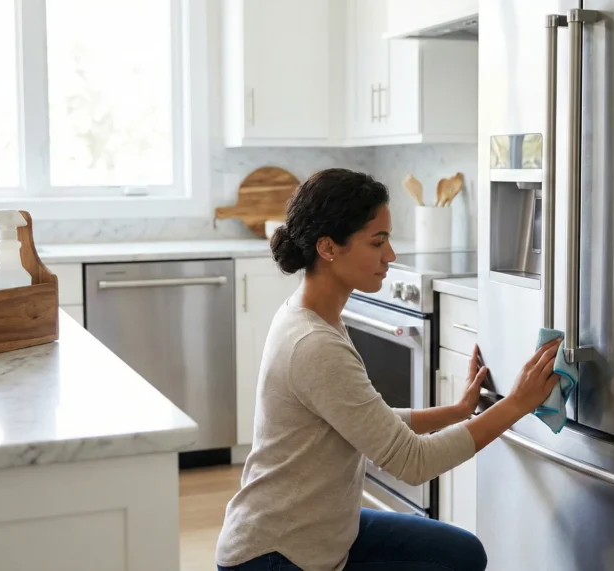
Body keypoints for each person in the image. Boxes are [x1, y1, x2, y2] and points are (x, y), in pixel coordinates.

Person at [215, 168, 561, 571]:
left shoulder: (315, 315)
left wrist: (457, 411)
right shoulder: (313, 343)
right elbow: (412, 462)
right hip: (279, 555)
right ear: (328, 248)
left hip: (323, 530)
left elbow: (363, 421)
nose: (391, 256)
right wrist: (517, 404)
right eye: (377, 241)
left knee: (462, 555)